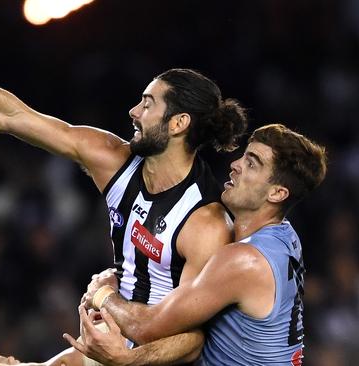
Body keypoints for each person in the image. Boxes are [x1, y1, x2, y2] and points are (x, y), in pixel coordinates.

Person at [0, 2, 247, 364]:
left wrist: (114, 324)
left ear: (179, 123)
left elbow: (192, 340)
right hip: (110, 342)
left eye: (148, 104)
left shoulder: (205, 222)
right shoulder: (112, 159)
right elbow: (10, 115)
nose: (133, 112)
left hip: (149, 357)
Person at [68, 124, 328, 365]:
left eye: (252, 164)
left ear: (277, 193)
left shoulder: (244, 260)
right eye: (243, 156)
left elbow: (147, 328)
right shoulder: (285, 236)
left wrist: (102, 294)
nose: (235, 164)